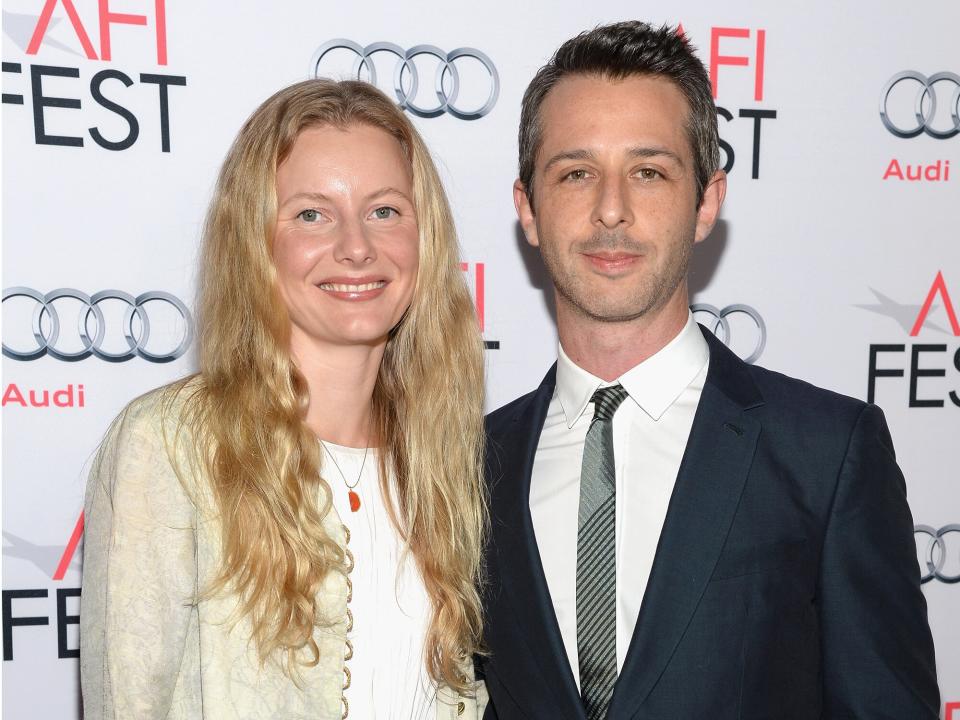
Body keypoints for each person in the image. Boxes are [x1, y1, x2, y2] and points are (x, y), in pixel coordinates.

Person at [478, 21, 939, 719]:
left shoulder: (826, 454)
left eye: (649, 172)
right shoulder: (472, 464)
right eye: (576, 173)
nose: (611, 210)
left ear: (707, 202)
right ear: (528, 210)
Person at [80, 79, 488, 719]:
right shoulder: (172, 445)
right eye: (311, 214)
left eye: (385, 210)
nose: (356, 247)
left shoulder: (447, 459)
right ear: (256, 242)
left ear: (425, 235)